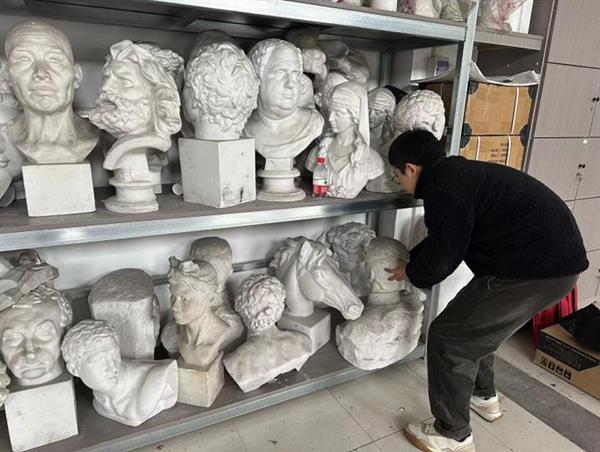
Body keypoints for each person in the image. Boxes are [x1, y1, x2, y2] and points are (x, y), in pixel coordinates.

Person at [384, 130, 588, 452]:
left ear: (411, 168)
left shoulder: (442, 188)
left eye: (397, 176)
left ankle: (452, 433)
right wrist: (412, 261)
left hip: (537, 271)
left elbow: (443, 256)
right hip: (549, 265)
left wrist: (411, 272)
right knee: (476, 327)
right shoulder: (454, 175)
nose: (399, 184)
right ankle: (483, 396)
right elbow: (444, 237)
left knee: (450, 337)